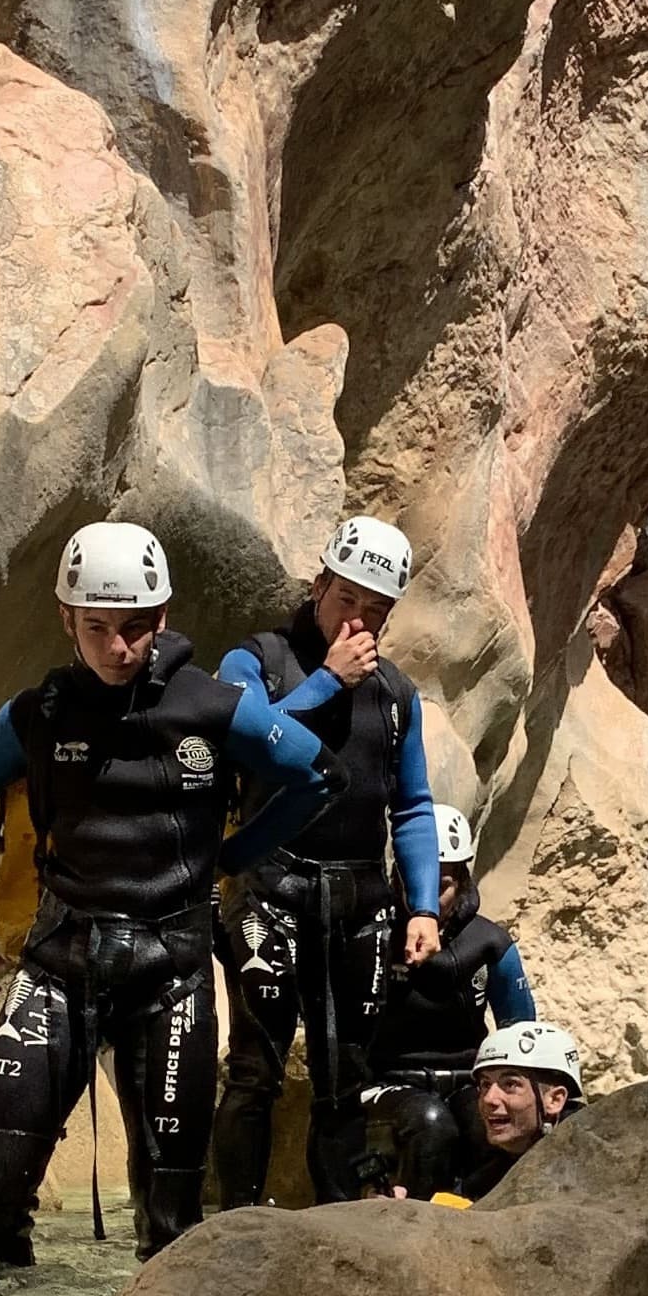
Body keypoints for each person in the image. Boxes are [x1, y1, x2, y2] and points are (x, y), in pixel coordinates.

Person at [0, 522, 337, 1267]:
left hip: (172, 977)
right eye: (98, 629)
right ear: (67, 621)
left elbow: (318, 776)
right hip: (57, 969)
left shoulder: (216, 707)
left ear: (164, 617)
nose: (119, 648)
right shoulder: (41, 712)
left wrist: (233, 855)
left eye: (137, 629)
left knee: (171, 1220)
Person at [211, 516, 445, 1209]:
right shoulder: (255, 658)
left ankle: (337, 1225)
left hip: (359, 896)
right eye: (347, 601)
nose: (359, 623)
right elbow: (246, 741)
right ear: (319, 586)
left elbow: (412, 804)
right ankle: (236, 1223)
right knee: (256, 1069)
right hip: (269, 883)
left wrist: (424, 904)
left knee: (346, 1076)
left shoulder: (397, 694)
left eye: (377, 612)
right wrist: (323, 683)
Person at [357, 806, 535, 1201]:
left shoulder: (490, 944)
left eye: (444, 884)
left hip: (468, 1080)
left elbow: (522, 1031)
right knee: (431, 1124)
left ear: (463, 880)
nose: (430, 895)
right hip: (387, 1084)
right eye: (417, 880)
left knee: (493, 1124)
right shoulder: (371, 936)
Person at [394, 1020, 582, 1204]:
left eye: (510, 1084)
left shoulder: (587, 1165)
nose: (489, 1099)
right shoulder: (488, 1177)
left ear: (554, 1100)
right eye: (485, 1084)